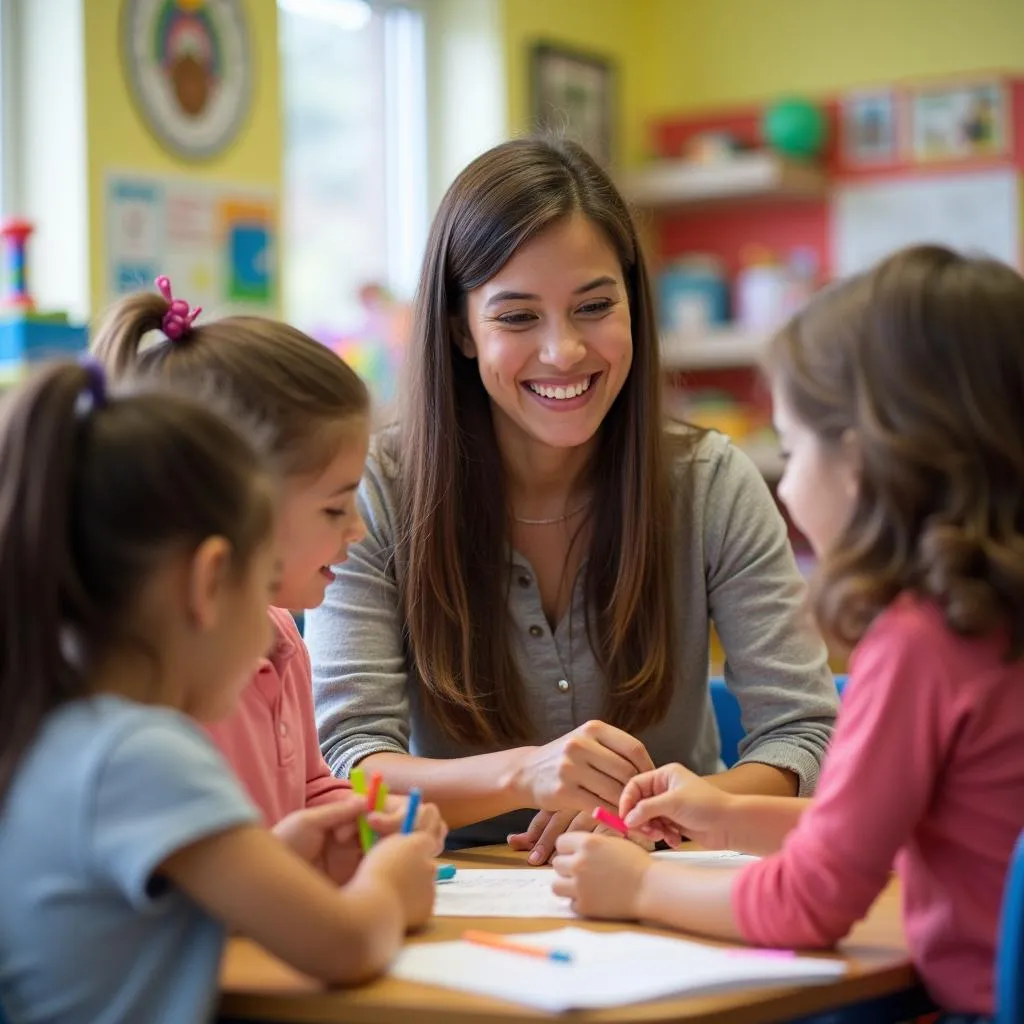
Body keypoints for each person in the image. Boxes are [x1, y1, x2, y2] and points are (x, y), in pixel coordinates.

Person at [307, 136, 839, 859]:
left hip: (669, 886)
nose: (564, 352)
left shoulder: (711, 481)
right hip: (452, 904)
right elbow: (349, 761)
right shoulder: (378, 491)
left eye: (594, 306)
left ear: (632, 305)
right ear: (462, 329)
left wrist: (666, 811)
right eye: (518, 317)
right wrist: (526, 775)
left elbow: (803, 732)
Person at [550, 245, 1024, 1022]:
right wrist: (727, 814)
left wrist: (637, 886)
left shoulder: (920, 647)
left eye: (795, 452)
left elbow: (811, 902)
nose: (786, 484)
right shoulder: (991, 622)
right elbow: (896, 827)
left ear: (868, 463)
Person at [0, 362, 436, 1023]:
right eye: (264, 582)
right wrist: (392, 884)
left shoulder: (57, 729)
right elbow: (348, 945)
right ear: (209, 584)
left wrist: (274, 860)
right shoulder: (139, 752)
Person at [92, 279, 447, 875]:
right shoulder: (158, 684)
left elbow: (311, 788)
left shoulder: (281, 636)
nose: (357, 530)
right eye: (334, 508)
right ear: (236, 506)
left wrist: (369, 823)